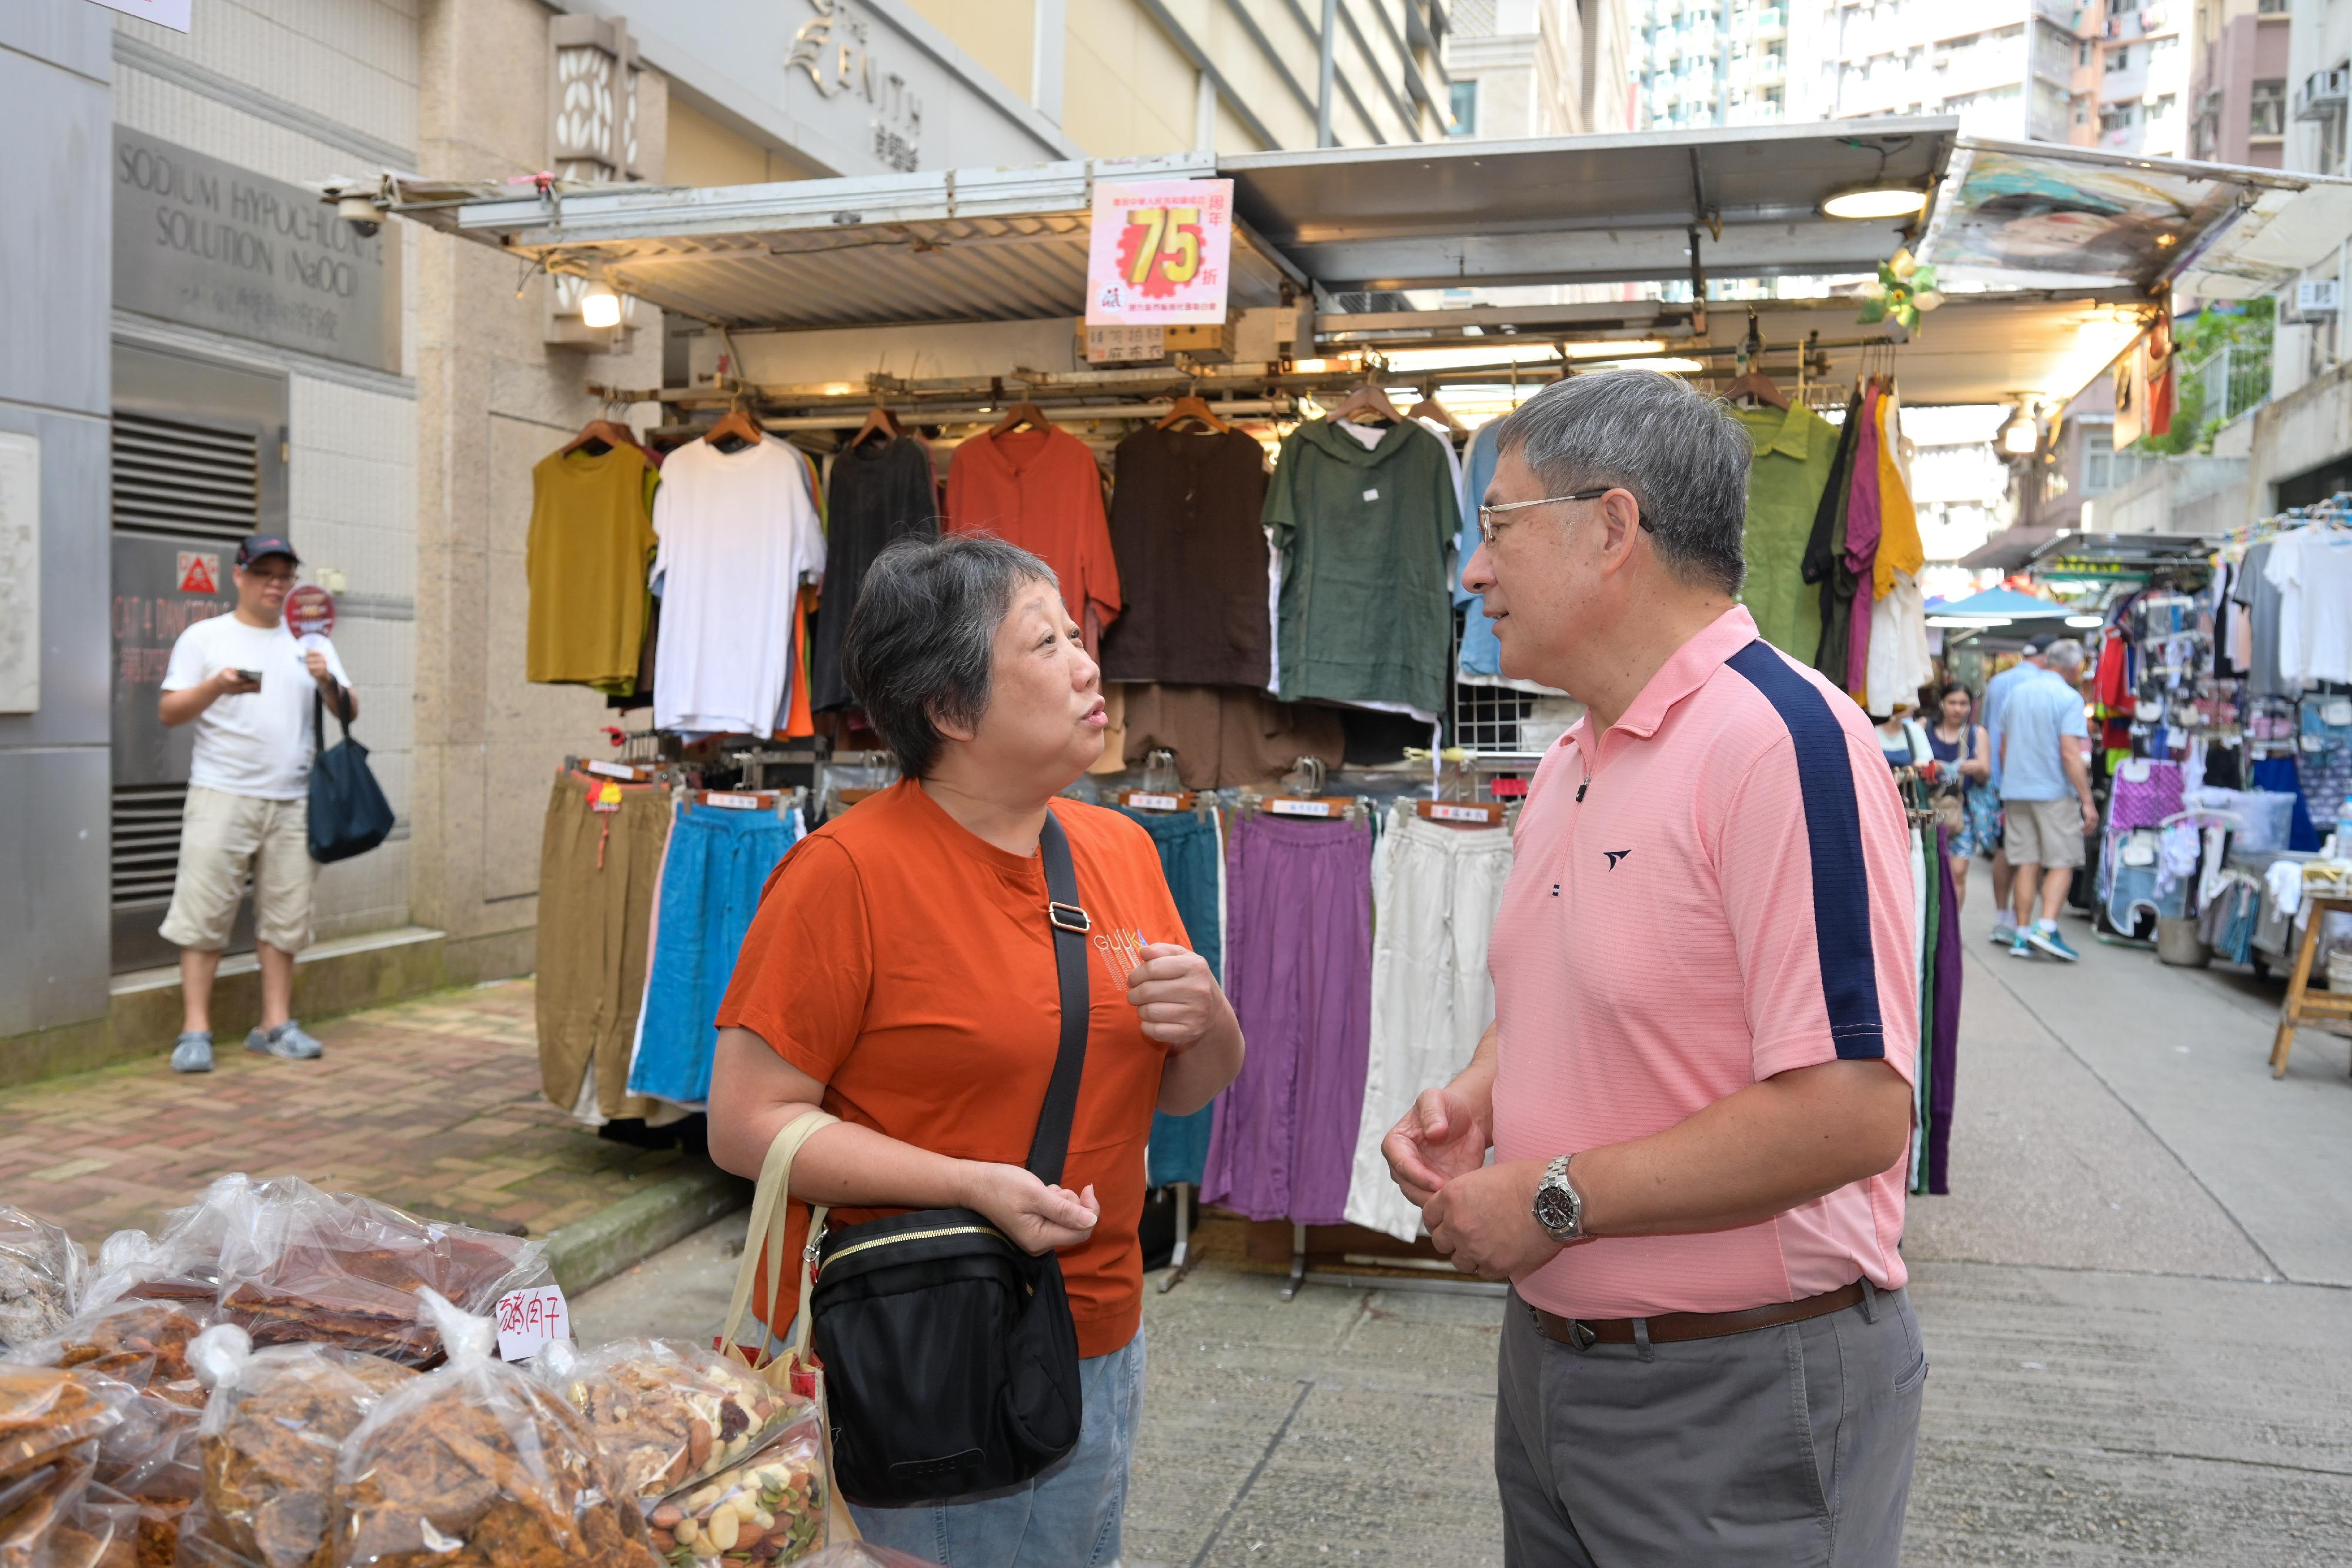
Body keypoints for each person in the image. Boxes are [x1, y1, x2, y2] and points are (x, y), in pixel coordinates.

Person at [1388, 371, 1923, 1566]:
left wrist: (1549, 1196)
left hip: (1736, 1389)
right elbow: (1565, 989)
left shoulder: (1781, 741)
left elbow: (1850, 1112)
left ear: (1611, 528)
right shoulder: (1579, 752)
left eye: (1497, 526)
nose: (1473, 573)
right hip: (1561, 1366)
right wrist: (1481, 1092)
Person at [705, 534, 1244, 1568]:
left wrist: (1211, 1017)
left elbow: (1183, 1088)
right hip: (927, 1343)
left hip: (1100, 1328)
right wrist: (967, 1183)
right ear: (950, 712)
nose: (1089, 665)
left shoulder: (1118, 847)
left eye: (1077, 636)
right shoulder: (844, 875)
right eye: (1046, 644)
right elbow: (746, 1122)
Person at [158, 534, 355, 1074]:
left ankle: (275, 1025)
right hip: (221, 794)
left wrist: (328, 680)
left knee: (287, 917)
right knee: (204, 915)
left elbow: (350, 708)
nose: (275, 583)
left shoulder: (311, 639)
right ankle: (195, 1029)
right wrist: (217, 686)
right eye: (264, 572)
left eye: (284, 575)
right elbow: (171, 711)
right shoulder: (206, 638)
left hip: (294, 800)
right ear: (239, 576)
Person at [1996, 637, 2097, 962]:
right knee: (2062, 861)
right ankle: (2047, 926)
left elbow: (2004, 747)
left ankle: (2022, 934)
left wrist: (2008, 783)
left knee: (2027, 861)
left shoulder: (2017, 693)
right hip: (2053, 792)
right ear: (2073, 666)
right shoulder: (2068, 698)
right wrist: (2087, 800)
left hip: (2017, 789)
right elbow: (2070, 753)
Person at [1979, 638, 2047, 945]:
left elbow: (1990, 729)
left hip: (1997, 775)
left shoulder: (1998, 682)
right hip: (2028, 779)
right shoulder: (2042, 686)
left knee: (2006, 847)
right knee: (2028, 852)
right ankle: (2024, 925)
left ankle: (2003, 915)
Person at [1925, 680, 1993, 910]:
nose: (1958, 708)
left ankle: (1951, 928)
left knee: (1958, 873)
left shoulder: (1977, 733)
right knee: (1926, 871)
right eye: (1952, 702)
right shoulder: (1925, 728)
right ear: (1942, 704)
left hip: (1961, 811)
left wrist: (1978, 768)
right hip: (1927, 809)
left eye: (1963, 703)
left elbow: (1985, 774)